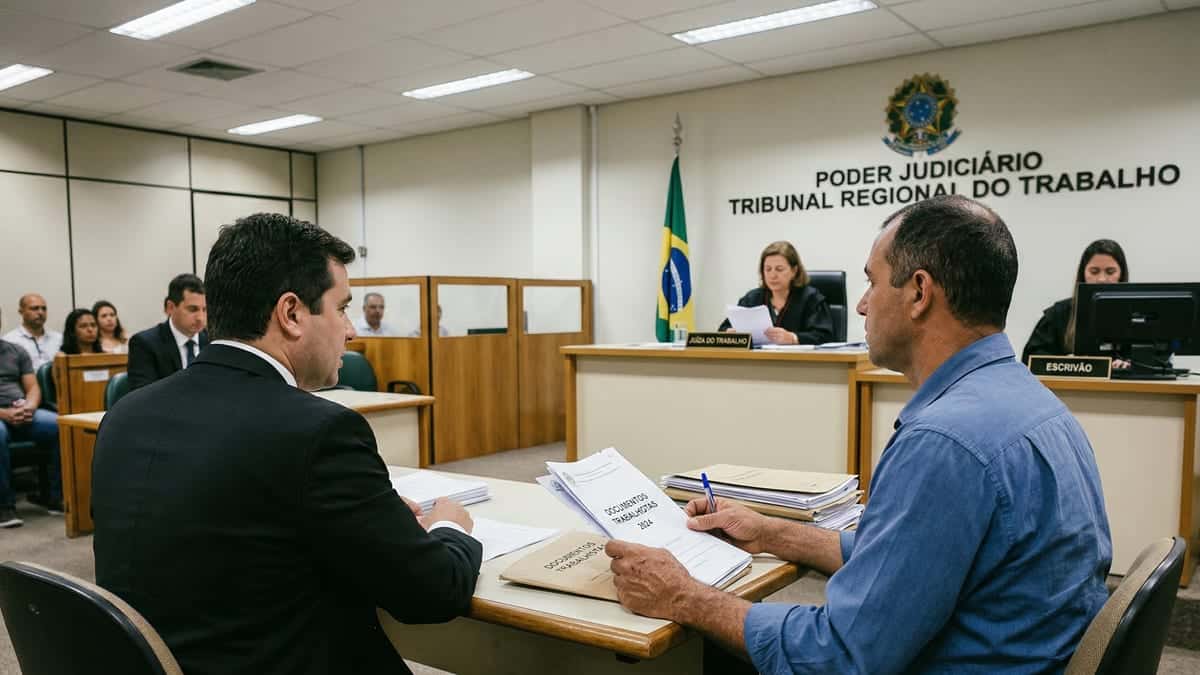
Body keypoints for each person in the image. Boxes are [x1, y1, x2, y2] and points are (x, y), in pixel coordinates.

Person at [606, 196, 1112, 674]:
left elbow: (841, 657)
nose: (863, 305)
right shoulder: (1032, 402)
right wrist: (769, 532)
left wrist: (683, 597)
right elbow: (904, 562)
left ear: (918, 292)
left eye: (873, 283)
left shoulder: (945, 442)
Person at [92, 213, 482, 675]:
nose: (351, 329)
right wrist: (449, 528)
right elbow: (431, 593)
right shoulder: (319, 432)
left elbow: (231, 521)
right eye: (341, 308)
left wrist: (366, 510)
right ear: (292, 313)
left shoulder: (124, 416)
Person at [0, 306, 62, 528]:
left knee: (59, 425)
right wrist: (4, 413)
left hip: (21, 409)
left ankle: (55, 497)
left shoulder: (15, 351)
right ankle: (4, 506)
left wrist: (30, 406)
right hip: (1, 415)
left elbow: (33, 387)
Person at [1021, 238, 1129, 364]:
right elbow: (1030, 358)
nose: (1101, 279)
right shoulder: (1059, 313)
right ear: (1083, 274)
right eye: (1094, 271)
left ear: (1121, 274)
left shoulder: (1135, 315)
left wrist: (1129, 365)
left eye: (1110, 272)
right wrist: (1063, 363)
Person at [718, 241, 834, 345]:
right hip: (757, 363)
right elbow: (723, 329)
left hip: (800, 365)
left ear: (794, 271)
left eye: (779, 269)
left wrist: (793, 338)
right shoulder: (752, 298)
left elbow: (825, 336)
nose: (772, 275)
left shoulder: (811, 298)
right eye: (768, 269)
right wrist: (730, 333)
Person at [126, 273, 209, 390]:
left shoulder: (213, 341)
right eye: (192, 309)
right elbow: (142, 395)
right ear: (170, 307)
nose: (201, 317)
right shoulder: (144, 344)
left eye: (205, 310)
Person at [2, 293, 63, 369]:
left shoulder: (59, 339)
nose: (41, 312)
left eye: (44, 309)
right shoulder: (9, 341)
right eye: (34, 308)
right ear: (21, 311)